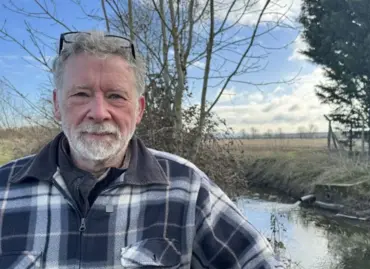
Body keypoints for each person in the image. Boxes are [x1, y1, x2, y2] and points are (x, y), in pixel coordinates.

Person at [0, 31, 281, 269]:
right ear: (57, 105)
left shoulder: (186, 189)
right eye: (81, 94)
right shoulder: (5, 191)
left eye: (116, 96)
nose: (99, 113)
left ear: (139, 110)